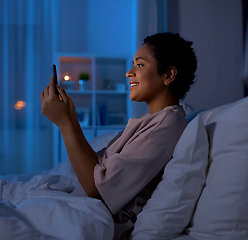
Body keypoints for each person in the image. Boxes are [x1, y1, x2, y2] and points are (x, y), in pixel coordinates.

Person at [40, 32, 197, 240]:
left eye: (140, 65)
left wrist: (64, 125)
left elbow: (97, 188)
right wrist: (70, 118)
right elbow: (98, 163)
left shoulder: (166, 126)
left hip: (93, 219)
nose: (129, 73)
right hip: (83, 208)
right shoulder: (153, 120)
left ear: (168, 75)